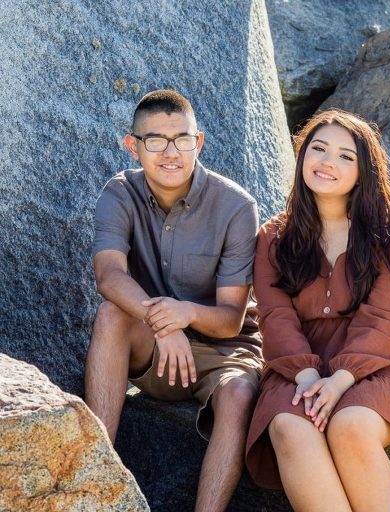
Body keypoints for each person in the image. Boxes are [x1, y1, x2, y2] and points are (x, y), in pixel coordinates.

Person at [244, 109, 390, 512]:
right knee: (290, 426)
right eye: (318, 149)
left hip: (375, 363)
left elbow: (386, 319)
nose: (327, 162)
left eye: (345, 156)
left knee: (349, 424)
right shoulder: (273, 238)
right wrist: (310, 376)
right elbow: (275, 317)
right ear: (301, 158)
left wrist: (342, 379)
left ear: (364, 170)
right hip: (296, 365)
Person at [85, 89, 263, 512]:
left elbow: (230, 322)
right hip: (155, 344)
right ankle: (90, 479)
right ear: (133, 146)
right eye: (155, 141)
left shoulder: (237, 207)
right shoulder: (119, 194)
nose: (171, 153)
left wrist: (184, 315)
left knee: (239, 394)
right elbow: (109, 277)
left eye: (182, 139)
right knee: (111, 316)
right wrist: (165, 323)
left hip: (223, 352)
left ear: (198, 142)